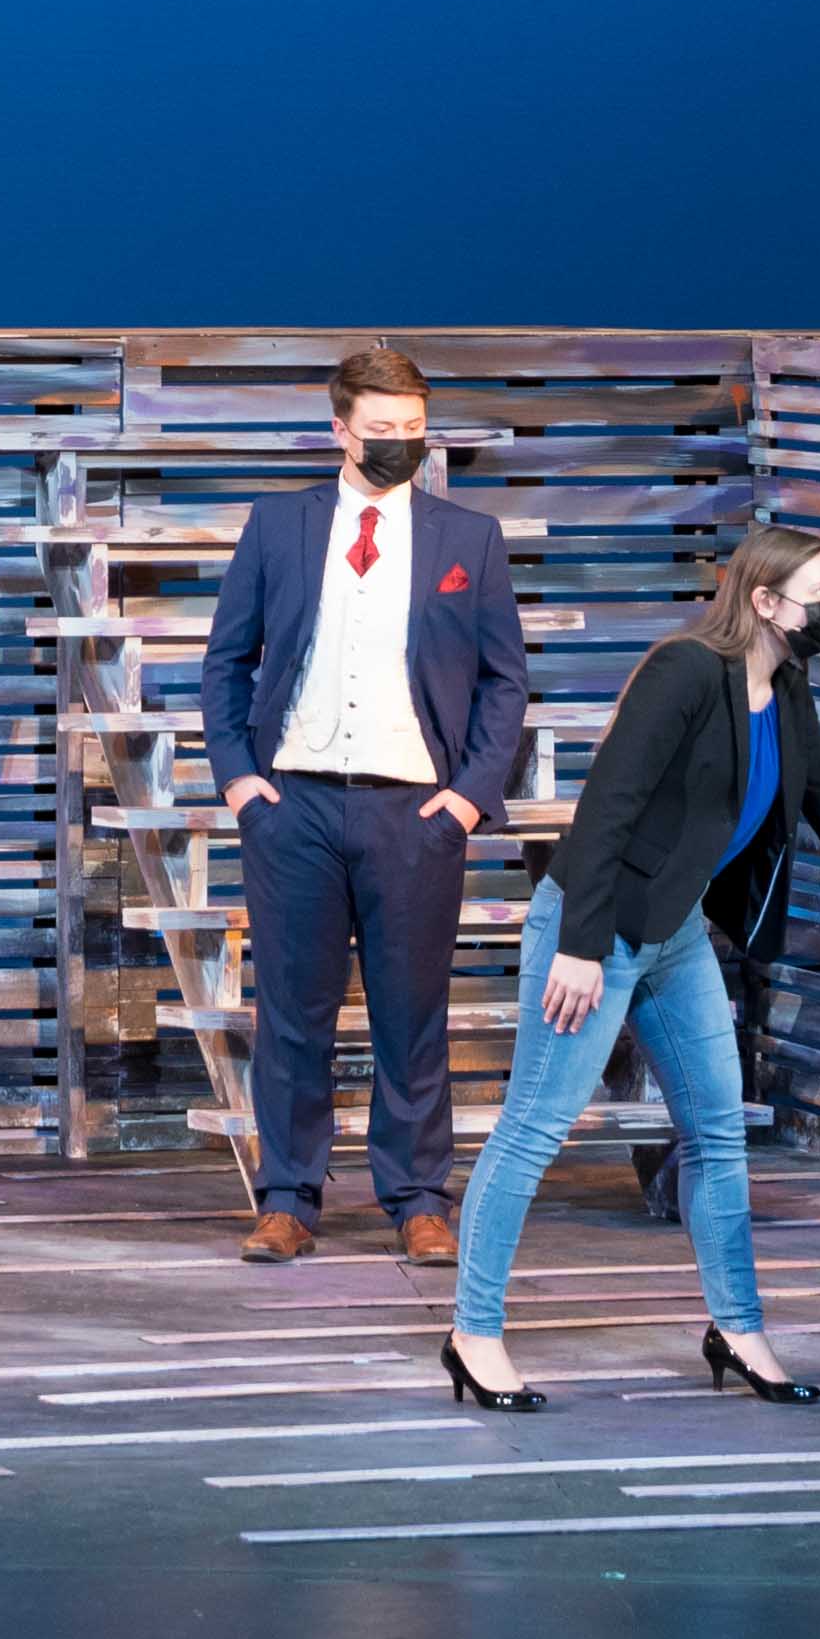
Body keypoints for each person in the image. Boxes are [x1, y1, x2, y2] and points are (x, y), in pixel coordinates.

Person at [433, 522, 820, 1409]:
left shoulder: (786, 692)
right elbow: (606, 808)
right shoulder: (685, 673)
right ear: (764, 602)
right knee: (534, 1128)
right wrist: (580, 946)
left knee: (718, 1132)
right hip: (597, 928)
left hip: (676, 934)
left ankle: (739, 1329)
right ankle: (473, 1334)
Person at [196, 344, 531, 1268]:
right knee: (292, 1012)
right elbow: (226, 660)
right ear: (340, 429)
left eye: (414, 430)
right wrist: (240, 780)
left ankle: (418, 1198)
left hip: (414, 811)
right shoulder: (279, 524)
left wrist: (468, 798)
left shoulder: (468, 538)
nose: (400, 444)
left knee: (412, 1012)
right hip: (294, 802)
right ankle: (289, 1198)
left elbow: (505, 681)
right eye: (382, 430)